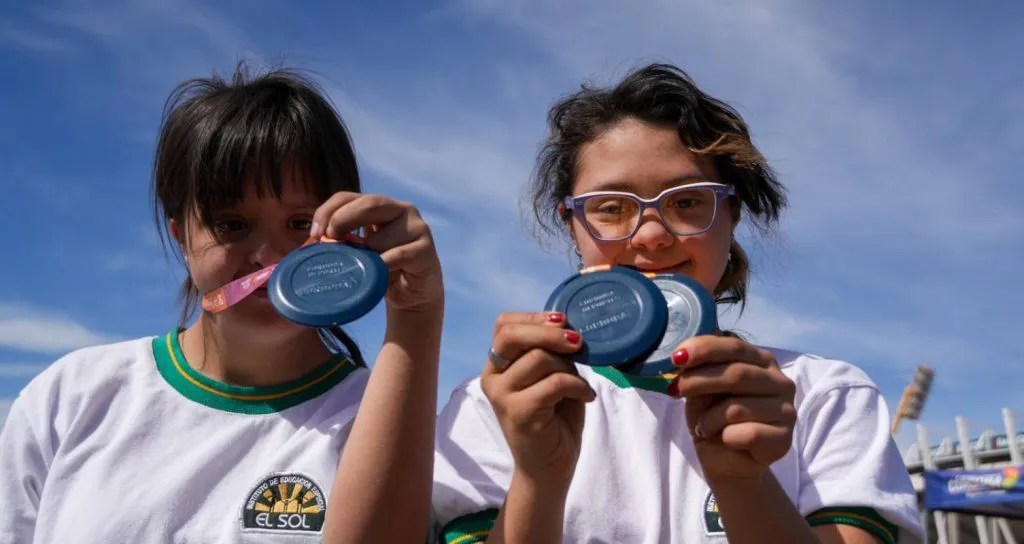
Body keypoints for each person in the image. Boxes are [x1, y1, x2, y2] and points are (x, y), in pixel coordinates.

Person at [431, 63, 923, 544]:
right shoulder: (497, 406)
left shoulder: (823, 396)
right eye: (611, 207)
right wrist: (538, 480)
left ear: (731, 216)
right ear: (571, 225)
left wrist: (744, 483)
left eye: (686, 201)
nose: (650, 236)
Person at [0, 63, 444, 543]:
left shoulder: (384, 421)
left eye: (300, 223)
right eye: (231, 224)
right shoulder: (71, 397)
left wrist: (416, 318)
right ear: (181, 236)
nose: (269, 256)